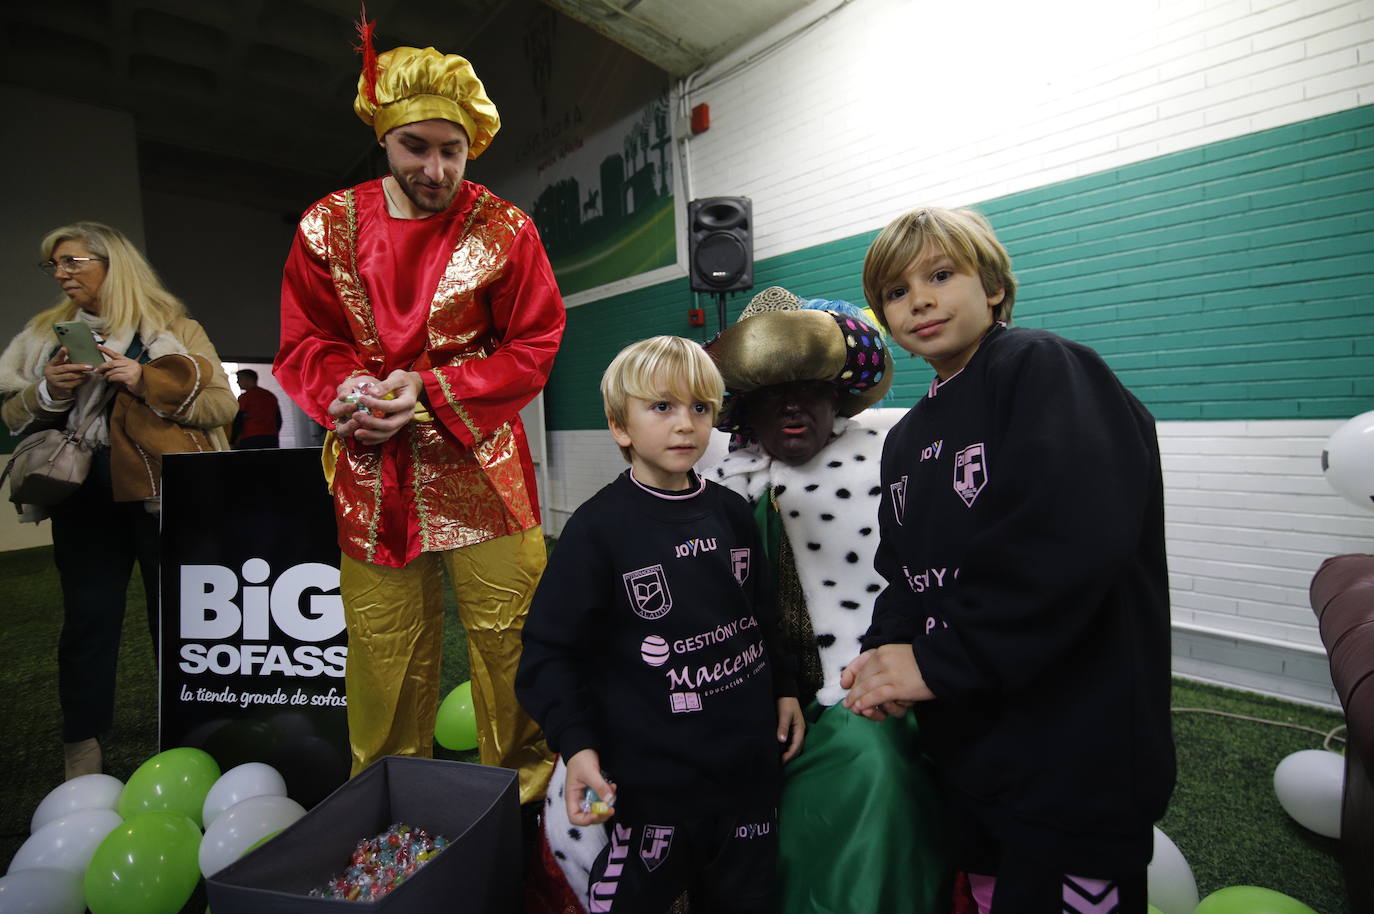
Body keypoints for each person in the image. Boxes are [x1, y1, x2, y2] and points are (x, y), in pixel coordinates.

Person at [842, 206, 1174, 913]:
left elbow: (1067, 542)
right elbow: (903, 569)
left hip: (1074, 758)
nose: (920, 300)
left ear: (992, 287)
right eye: (897, 293)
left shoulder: (1042, 366)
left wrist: (936, 661)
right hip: (975, 751)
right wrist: (887, 652)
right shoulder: (905, 438)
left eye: (940, 274)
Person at [273, 36, 563, 803]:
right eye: (414, 147)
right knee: (381, 649)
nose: (433, 169)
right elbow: (306, 341)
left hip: (482, 468)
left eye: (451, 151)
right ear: (382, 137)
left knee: (513, 641)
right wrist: (340, 391)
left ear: (473, 146)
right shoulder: (326, 228)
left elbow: (534, 343)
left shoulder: (507, 230)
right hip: (374, 472)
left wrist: (430, 392)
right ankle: (384, 796)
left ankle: (528, 794)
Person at [516, 336, 804, 914]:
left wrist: (786, 687)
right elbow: (549, 654)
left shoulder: (731, 513)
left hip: (748, 776)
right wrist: (577, 747)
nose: (685, 425)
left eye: (700, 408)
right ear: (620, 427)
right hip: (653, 788)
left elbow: (764, 618)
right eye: (662, 407)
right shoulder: (597, 531)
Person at [704, 285, 950, 914]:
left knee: (875, 775)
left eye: (809, 388)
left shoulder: (884, 456)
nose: (792, 406)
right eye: (770, 393)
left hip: (870, 688)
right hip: (747, 694)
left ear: (836, 396)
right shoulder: (717, 488)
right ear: (743, 412)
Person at [0, 221, 236, 780]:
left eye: (72, 262)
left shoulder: (175, 330)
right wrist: (50, 390)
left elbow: (221, 407)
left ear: (114, 265)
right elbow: (11, 415)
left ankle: (188, 730)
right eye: (53, 265)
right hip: (80, 498)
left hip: (165, 494)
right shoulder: (43, 334)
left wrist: (143, 379)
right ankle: (81, 741)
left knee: (177, 622)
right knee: (88, 621)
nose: (60, 274)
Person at [231, 369, 282, 449]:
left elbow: (238, 420)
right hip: (271, 438)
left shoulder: (245, 398)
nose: (237, 382)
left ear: (249, 379)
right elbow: (278, 419)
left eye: (239, 379)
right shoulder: (270, 396)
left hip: (250, 438)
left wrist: (233, 441)